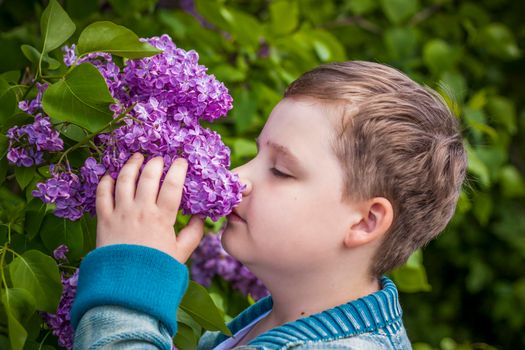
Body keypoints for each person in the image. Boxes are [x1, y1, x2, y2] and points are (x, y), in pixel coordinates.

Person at [70, 61, 467, 349]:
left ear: (365, 221)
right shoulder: (267, 325)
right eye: (257, 154)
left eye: (280, 170)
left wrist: (129, 284)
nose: (238, 177)